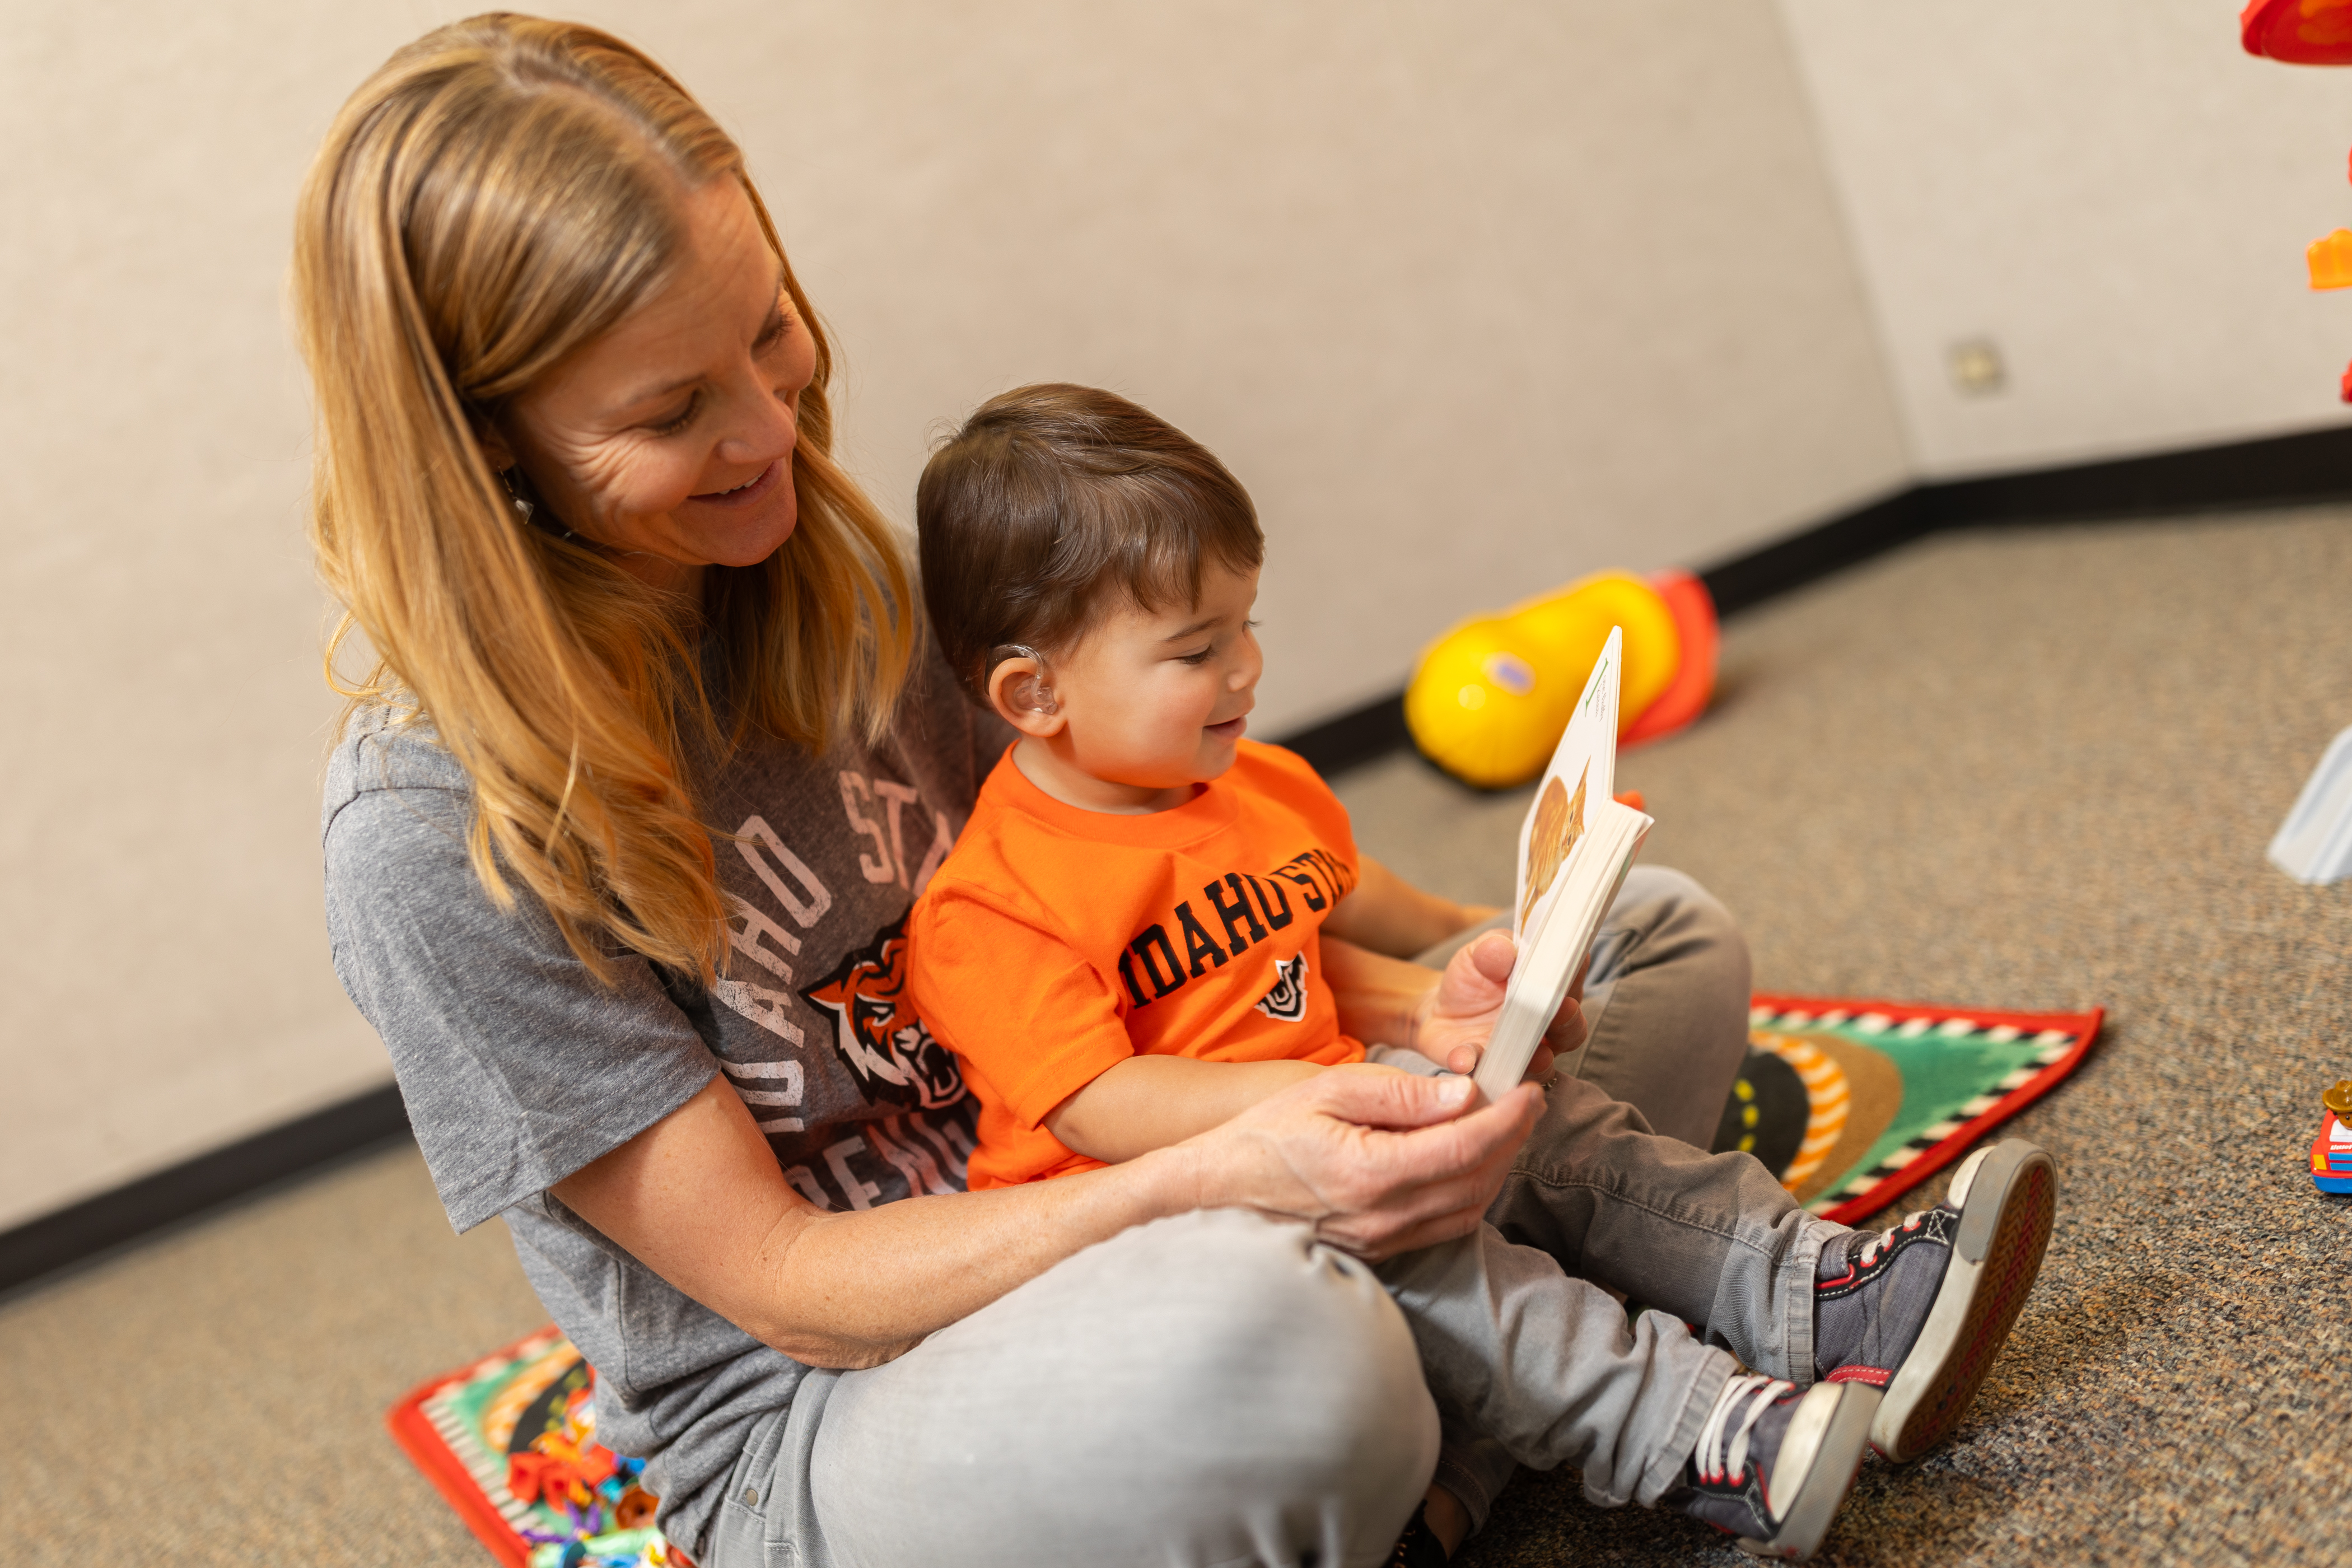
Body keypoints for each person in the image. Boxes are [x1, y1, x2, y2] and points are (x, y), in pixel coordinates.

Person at [297, 16, 2049, 1568]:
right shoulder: (432, 839)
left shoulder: (859, 595)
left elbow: (1164, 935)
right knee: (1278, 1343)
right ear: (485, 446)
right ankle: (1451, 1417)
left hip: (1144, 1142)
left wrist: (1427, 1019)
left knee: (1645, 949)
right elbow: (786, 1295)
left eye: (773, 332)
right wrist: (1226, 1183)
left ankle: (1435, 1478)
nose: (774, 432)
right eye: (678, 408)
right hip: (859, 1398)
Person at [902, 384, 2059, 1561]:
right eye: (1198, 650)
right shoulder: (992, 905)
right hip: (1168, 1237)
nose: (1248, 669)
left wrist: (1451, 1008)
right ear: (1033, 694)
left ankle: (1812, 1293)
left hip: (1333, 1124)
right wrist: (1318, 1102)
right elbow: (1102, 1106)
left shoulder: (1249, 787)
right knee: (1415, 1235)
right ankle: (1697, 1430)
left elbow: (1286, 964)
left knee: (1543, 1112)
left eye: (1248, 622)